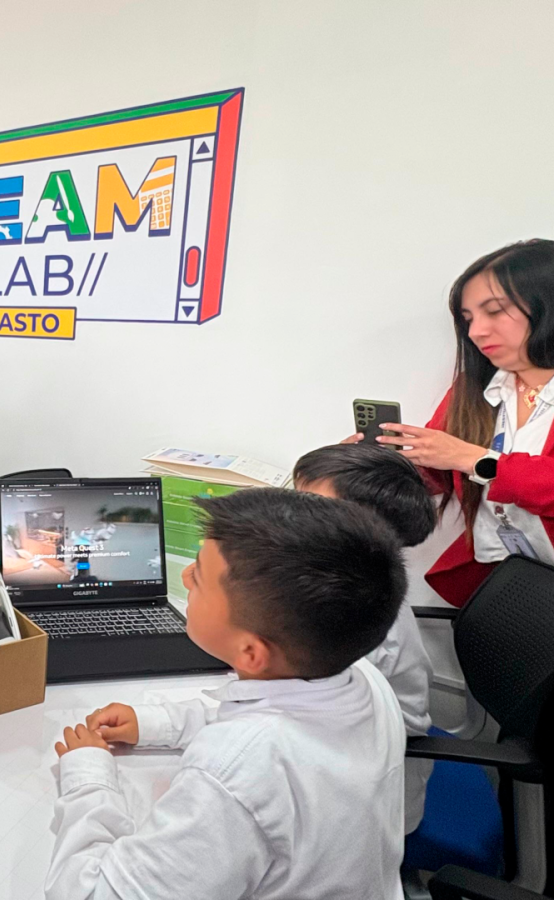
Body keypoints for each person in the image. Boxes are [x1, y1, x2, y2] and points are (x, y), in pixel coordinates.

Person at [47, 490, 407, 900]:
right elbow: (256, 716)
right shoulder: (362, 677)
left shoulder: (236, 770)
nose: (184, 579)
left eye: (197, 576)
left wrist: (87, 777)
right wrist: (154, 723)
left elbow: (93, 895)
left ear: (250, 653)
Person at [371, 239, 554, 606]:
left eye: (495, 311)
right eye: (468, 319)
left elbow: (465, 458)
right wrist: (374, 466)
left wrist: (474, 459)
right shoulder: (475, 388)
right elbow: (436, 472)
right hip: (509, 582)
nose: (475, 332)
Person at [293, 442, 436, 833]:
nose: (288, 517)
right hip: (344, 751)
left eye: (311, 507)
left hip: (370, 801)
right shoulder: (359, 581)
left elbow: (295, 714)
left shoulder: (358, 614)